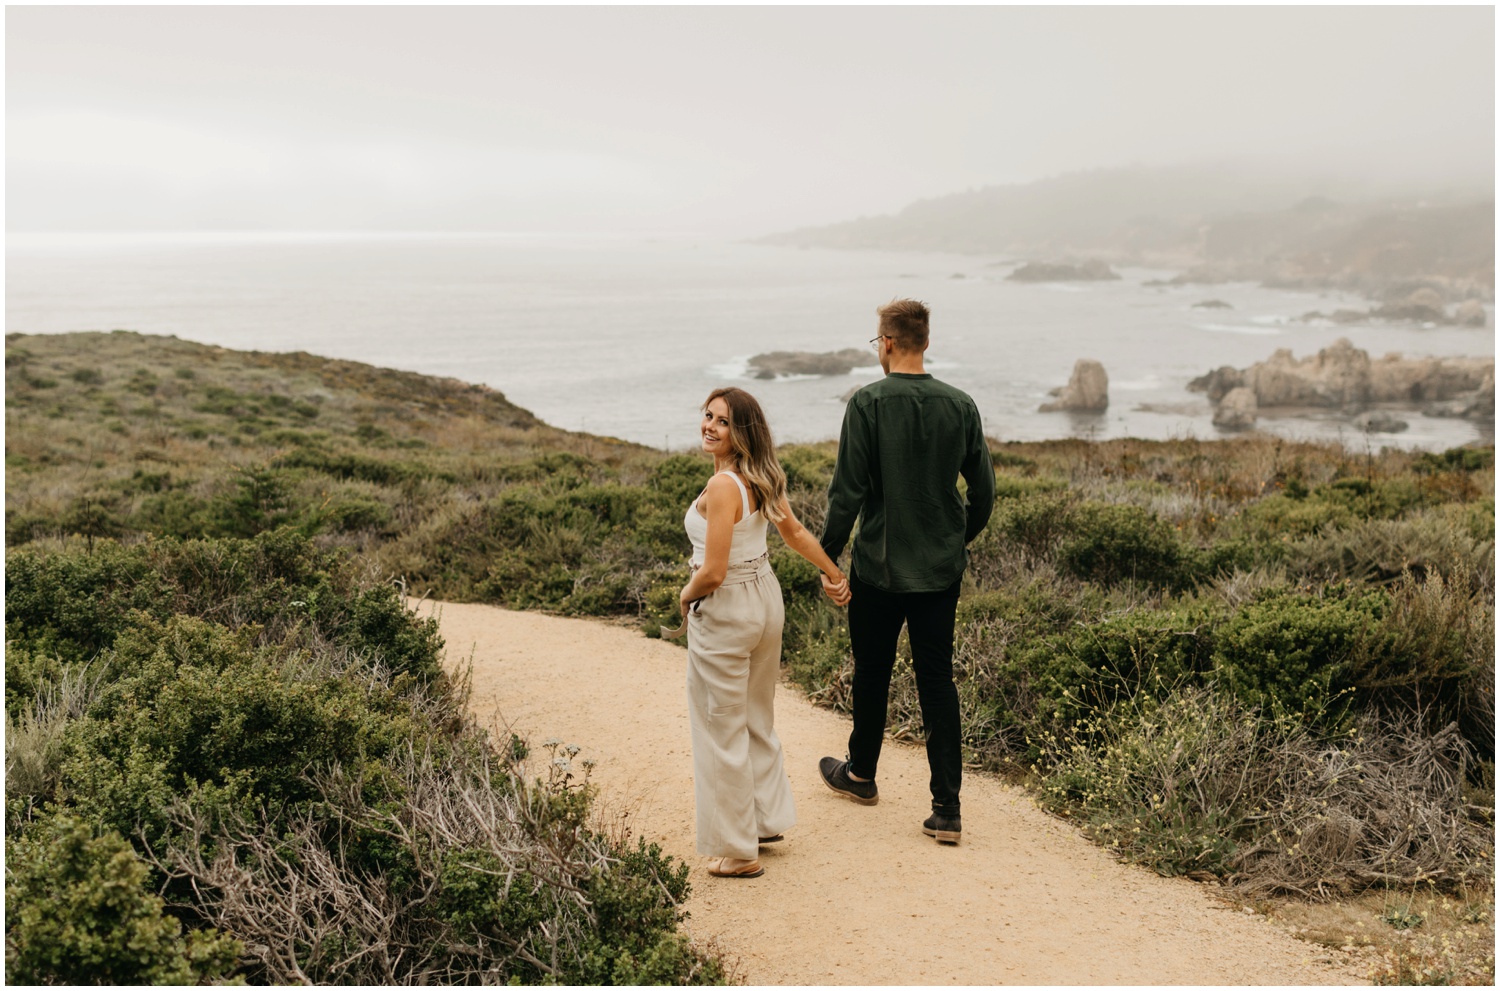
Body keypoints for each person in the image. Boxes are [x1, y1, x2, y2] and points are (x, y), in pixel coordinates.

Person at [816, 298, 995, 845]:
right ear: (926, 341)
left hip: (878, 566)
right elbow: (984, 494)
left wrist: (827, 559)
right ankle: (946, 810)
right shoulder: (960, 404)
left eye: (877, 341)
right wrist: (952, 541)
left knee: (873, 671)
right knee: (937, 681)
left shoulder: (866, 403)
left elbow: (847, 494)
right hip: (939, 572)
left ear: (888, 343)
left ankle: (862, 775)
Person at [676, 386, 850, 879]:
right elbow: (794, 534)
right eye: (707, 415)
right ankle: (766, 821)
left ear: (742, 432)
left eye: (723, 421)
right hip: (764, 598)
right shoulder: (760, 477)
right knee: (755, 715)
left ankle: (739, 849)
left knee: (720, 724)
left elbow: (711, 572)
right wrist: (834, 574)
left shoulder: (725, 487)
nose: (709, 426)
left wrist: (685, 597)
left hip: (728, 605)